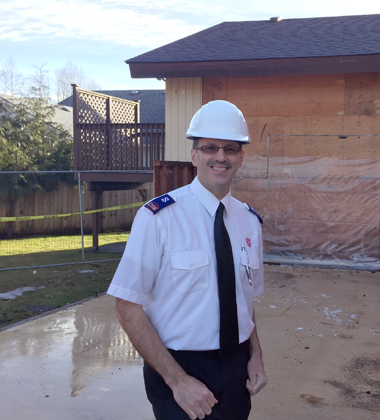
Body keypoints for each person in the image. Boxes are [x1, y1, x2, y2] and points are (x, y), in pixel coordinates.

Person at [107, 100, 267, 420]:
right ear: (194, 155)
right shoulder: (158, 218)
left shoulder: (250, 221)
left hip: (236, 365)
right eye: (210, 147)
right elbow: (127, 307)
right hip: (178, 367)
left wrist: (255, 355)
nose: (220, 156)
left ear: (241, 157)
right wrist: (178, 381)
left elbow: (243, 299)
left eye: (230, 148)